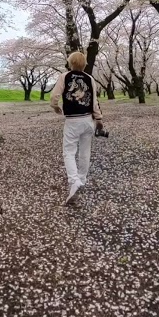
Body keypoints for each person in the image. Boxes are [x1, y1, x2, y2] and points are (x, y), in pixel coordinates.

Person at [50, 51, 103, 205]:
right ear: (84, 64)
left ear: (70, 62)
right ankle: (82, 179)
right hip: (88, 120)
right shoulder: (90, 78)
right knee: (85, 152)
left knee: (69, 152)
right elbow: (94, 101)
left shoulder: (65, 76)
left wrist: (55, 107)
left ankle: (74, 181)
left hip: (73, 121)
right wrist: (98, 118)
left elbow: (54, 97)